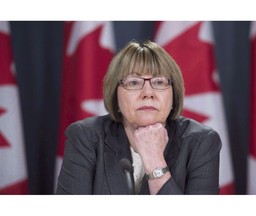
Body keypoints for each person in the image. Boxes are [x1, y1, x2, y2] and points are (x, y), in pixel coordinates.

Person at [56, 40, 222, 195]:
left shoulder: (201, 142)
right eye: (134, 83)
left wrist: (155, 162)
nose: (148, 93)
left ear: (174, 95)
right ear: (115, 95)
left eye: (159, 82)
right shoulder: (85, 137)